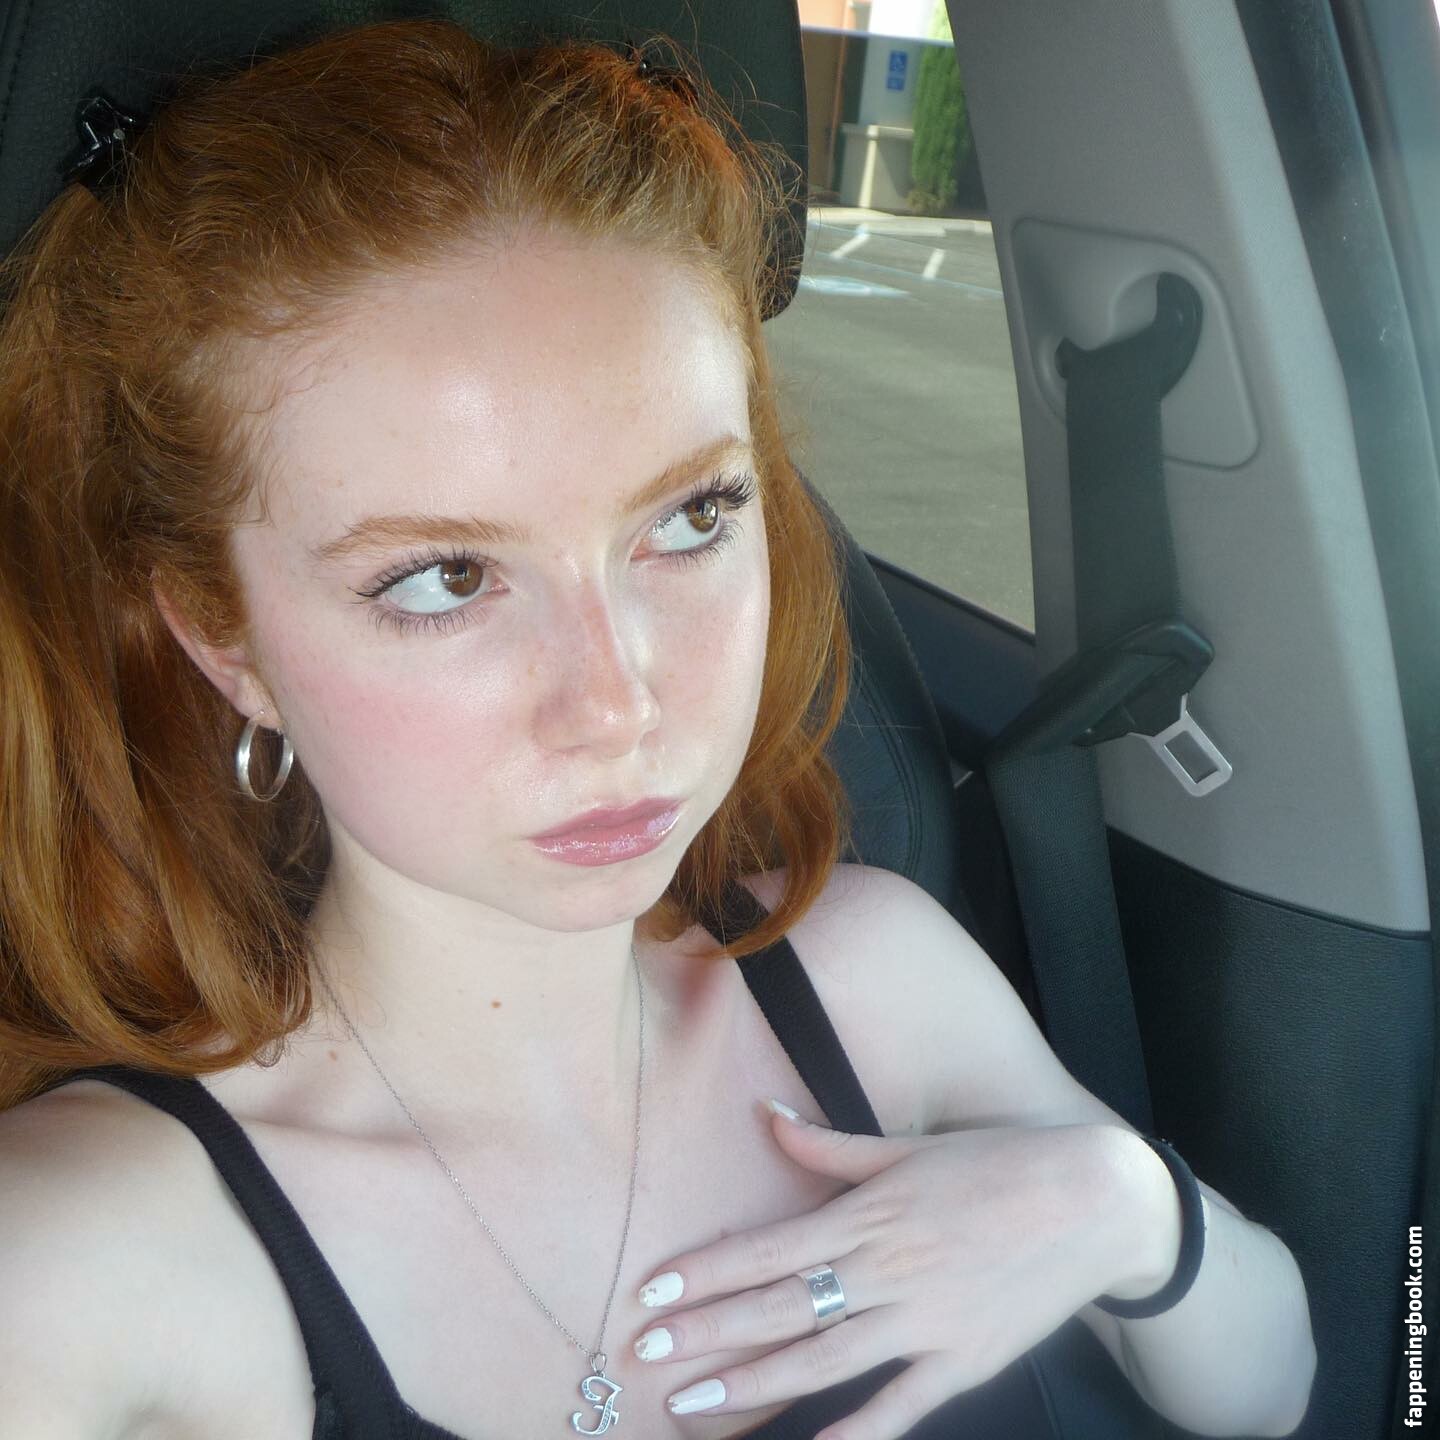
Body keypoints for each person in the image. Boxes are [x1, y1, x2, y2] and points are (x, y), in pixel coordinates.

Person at [0, 17, 1315, 1440]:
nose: (619, 703)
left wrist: (1123, 1208)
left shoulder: (878, 981)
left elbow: (1276, 1388)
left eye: (691, 518)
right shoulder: (84, 1264)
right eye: (445, 580)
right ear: (226, 641)